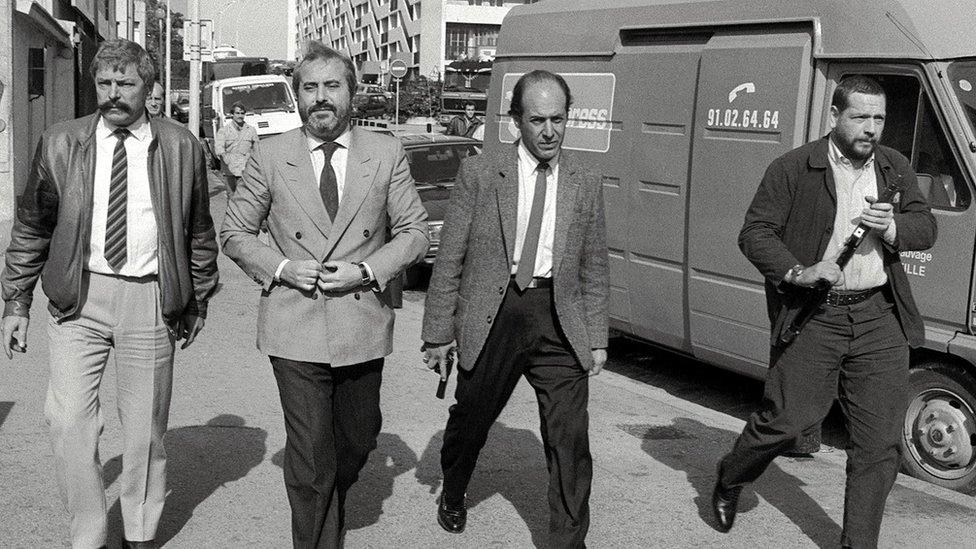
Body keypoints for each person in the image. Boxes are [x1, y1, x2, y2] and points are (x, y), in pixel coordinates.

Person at [0, 39, 219, 549]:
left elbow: (198, 231)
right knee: (68, 422)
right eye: (105, 83)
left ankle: (140, 533)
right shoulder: (61, 142)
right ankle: (90, 534)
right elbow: (32, 227)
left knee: (144, 433)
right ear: (93, 85)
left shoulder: (181, 145)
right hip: (78, 299)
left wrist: (198, 299)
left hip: (150, 301)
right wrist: (16, 302)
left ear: (148, 88)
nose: (114, 94)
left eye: (126, 84)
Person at [711, 75, 937, 548]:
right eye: (859, 117)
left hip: (879, 316)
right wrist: (798, 271)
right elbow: (755, 234)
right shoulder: (794, 168)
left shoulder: (894, 168)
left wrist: (894, 228)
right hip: (817, 315)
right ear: (834, 116)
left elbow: (926, 227)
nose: (870, 128)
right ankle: (732, 474)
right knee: (789, 421)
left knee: (878, 447)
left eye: (878, 118)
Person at [220, 42, 428, 548]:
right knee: (312, 455)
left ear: (352, 94)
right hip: (294, 325)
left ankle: (329, 503)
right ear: (297, 97)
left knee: (356, 440)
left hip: (362, 323)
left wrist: (363, 269)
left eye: (332, 86)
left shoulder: (385, 152)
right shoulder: (270, 154)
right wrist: (285, 267)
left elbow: (415, 233)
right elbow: (234, 232)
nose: (321, 98)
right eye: (309, 87)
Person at [422, 70, 609, 547]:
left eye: (559, 120)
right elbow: (451, 257)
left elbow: (593, 265)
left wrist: (597, 338)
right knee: (472, 420)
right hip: (495, 309)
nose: (549, 131)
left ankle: (567, 541)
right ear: (516, 122)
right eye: (538, 120)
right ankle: (455, 490)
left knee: (570, 440)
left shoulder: (585, 180)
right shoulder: (481, 172)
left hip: (558, 317)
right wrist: (438, 332)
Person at [214, 101, 259, 194]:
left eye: (242, 113)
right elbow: (219, 148)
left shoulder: (251, 130)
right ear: (232, 114)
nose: (240, 116)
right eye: (237, 113)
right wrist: (225, 158)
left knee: (245, 196)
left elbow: (257, 148)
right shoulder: (224, 131)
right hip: (230, 169)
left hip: (245, 168)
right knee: (232, 195)